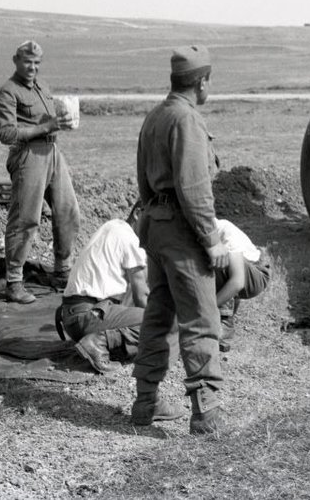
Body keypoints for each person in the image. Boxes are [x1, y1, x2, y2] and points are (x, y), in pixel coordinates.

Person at [131, 46, 231, 434]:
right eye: (210, 81)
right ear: (201, 81)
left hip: (155, 224)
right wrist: (211, 239)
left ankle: (146, 402)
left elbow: (142, 181)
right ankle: (206, 412)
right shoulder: (186, 119)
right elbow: (193, 186)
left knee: (158, 315)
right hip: (181, 229)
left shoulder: (155, 116)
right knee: (201, 319)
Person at [0, 39, 81, 304]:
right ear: (16, 60)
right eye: (27, 62)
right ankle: (14, 282)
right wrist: (47, 126)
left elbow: (49, 121)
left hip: (53, 153)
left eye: (36, 63)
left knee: (68, 211)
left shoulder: (42, 87)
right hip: (28, 156)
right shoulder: (8, 91)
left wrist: (62, 122)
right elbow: (7, 133)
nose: (32, 67)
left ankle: (62, 271)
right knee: (26, 218)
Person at [57, 203, 150, 375]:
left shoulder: (113, 227)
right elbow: (142, 295)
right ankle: (98, 343)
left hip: (72, 317)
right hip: (88, 315)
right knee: (161, 322)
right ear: (138, 213)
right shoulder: (131, 239)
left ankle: (100, 340)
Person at [214, 217, 272, 352]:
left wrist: (208, 308)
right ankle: (221, 314)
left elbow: (237, 282)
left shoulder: (225, 230)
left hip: (257, 274)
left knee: (218, 256)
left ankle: (225, 322)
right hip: (241, 271)